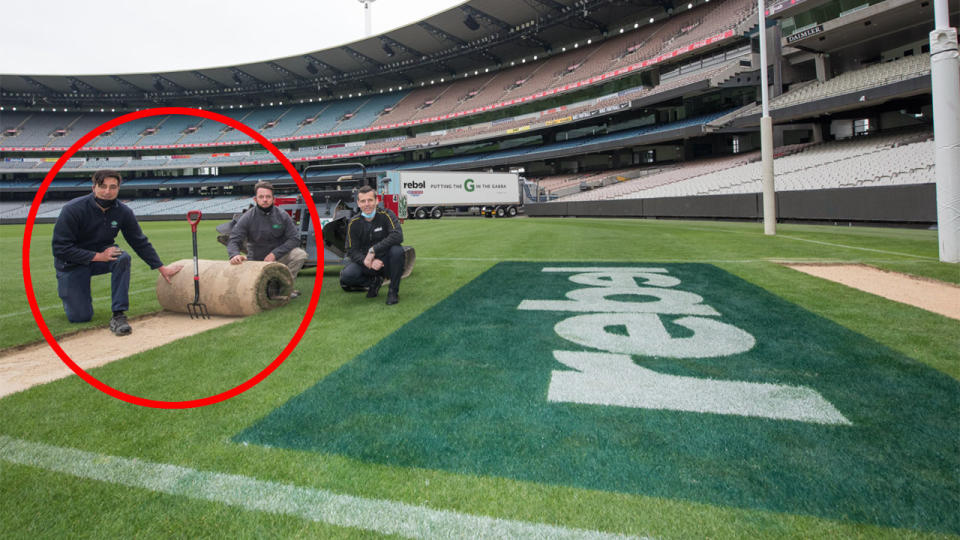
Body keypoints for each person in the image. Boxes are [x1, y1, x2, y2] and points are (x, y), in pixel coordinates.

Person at [52, 169, 182, 336]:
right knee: (80, 317)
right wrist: (98, 256)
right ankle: (70, 294)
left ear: (118, 189)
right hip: (72, 263)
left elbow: (139, 241)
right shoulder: (73, 209)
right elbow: (60, 248)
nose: (107, 191)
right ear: (94, 188)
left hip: (102, 256)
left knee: (122, 258)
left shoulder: (123, 211)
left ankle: (118, 315)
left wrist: (161, 268)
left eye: (112, 187)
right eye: (103, 186)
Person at [227, 180, 307, 298]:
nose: (265, 199)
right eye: (261, 197)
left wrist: (275, 254)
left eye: (268, 197)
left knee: (300, 254)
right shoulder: (247, 217)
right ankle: (270, 286)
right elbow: (233, 239)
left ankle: (285, 288)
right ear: (256, 199)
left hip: (279, 258)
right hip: (256, 261)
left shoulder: (282, 215)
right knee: (256, 292)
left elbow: (294, 239)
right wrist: (234, 254)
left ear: (273, 199)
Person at [340, 185, 405, 305]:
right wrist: (367, 260)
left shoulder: (386, 215)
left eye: (370, 200)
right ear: (358, 203)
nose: (367, 204)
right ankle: (374, 282)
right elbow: (351, 250)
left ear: (377, 201)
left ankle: (393, 291)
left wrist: (373, 250)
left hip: (386, 261)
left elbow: (398, 236)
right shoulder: (354, 223)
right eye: (363, 201)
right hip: (367, 263)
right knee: (347, 276)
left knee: (398, 251)